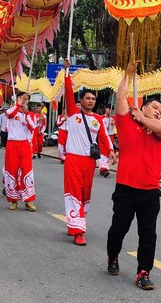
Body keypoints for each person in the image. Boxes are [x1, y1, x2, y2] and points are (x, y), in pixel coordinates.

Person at [106, 63, 161, 291]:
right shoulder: (125, 124)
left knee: (148, 234)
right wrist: (128, 73)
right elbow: (121, 96)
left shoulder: (158, 131)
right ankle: (113, 256)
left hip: (150, 191)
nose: (158, 112)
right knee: (118, 229)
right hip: (126, 188)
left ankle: (144, 272)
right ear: (143, 106)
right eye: (154, 107)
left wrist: (142, 118)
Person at [58, 71, 114, 246]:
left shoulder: (98, 119)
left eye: (93, 99)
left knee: (85, 195)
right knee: (74, 192)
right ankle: (78, 231)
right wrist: (67, 73)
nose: (91, 101)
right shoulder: (74, 114)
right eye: (87, 98)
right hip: (73, 160)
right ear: (81, 100)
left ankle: (75, 223)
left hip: (89, 162)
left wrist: (111, 151)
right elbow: (68, 92)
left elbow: (104, 137)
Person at [3, 92, 39, 211]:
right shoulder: (11, 112)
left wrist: (26, 113)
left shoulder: (31, 115)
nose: (24, 101)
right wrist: (18, 104)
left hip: (25, 145)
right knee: (11, 171)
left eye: (26, 99)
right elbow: (9, 114)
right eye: (22, 98)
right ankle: (13, 200)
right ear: (17, 99)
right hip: (12, 145)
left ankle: (28, 201)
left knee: (27, 172)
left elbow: (33, 127)